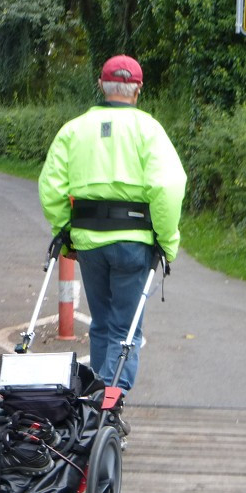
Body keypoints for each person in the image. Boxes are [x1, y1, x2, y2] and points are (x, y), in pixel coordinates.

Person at [38, 54, 186, 393]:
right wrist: (166, 240)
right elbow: (167, 186)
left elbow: (51, 186)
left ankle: (95, 399)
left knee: (102, 324)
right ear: (138, 90)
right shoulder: (149, 129)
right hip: (134, 243)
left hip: (89, 241)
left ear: (101, 85)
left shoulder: (73, 130)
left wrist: (66, 231)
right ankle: (110, 403)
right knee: (126, 329)